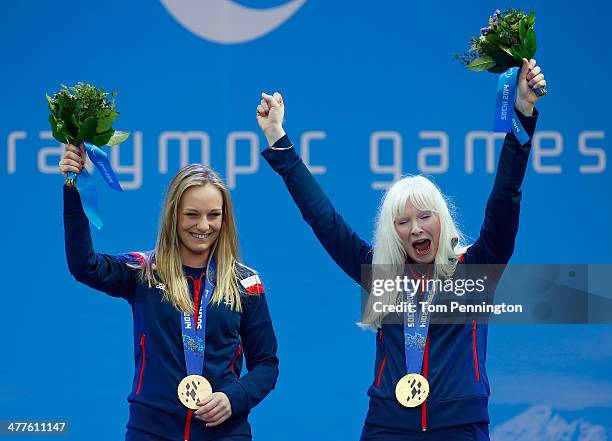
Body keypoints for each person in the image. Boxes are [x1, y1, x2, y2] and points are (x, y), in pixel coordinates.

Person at [256, 59, 546, 440]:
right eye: (403, 222)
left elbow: (506, 198)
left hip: (459, 427)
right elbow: (322, 219)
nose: (416, 229)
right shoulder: (379, 272)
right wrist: (279, 140)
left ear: (442, 219)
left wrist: (522, 115)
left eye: (425, 216)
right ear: (392, 231)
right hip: (387, 427)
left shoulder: (475, 269)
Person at [59, 152, 279, 441]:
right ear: (173, 214)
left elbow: (266, 363)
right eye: (192, 214)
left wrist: (234, 398)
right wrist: (74, 187)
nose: (203, 226)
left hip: (224, 432)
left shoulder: (246, 282)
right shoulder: (144, 271)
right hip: (151, 430)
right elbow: (84, 266)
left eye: (214, 215)